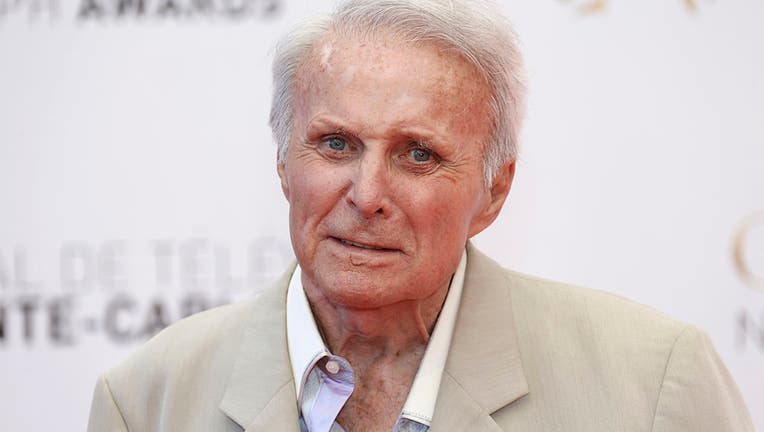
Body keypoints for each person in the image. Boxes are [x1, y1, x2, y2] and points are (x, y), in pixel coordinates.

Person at [87, 0, 755, 431]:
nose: (367, 193)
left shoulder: (652, 387)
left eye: (417, 154)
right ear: (284, 163)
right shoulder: (149, 401)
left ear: (494, 192)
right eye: (336, 143)